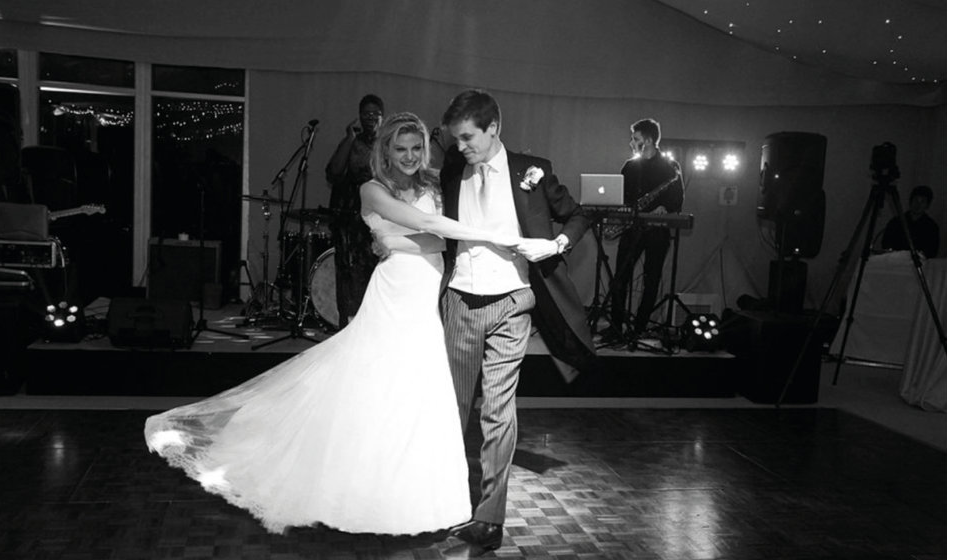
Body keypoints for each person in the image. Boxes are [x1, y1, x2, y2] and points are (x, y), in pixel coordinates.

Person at [145, 112, 525, 536]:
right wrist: (420, 239)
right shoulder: (371, 188)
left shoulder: (434, 184)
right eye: (400, 149)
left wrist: (396, 240)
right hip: (395, 292)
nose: (410, 156)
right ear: (385, 151)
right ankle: (364, 485)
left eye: (416, 148)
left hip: (429, 295)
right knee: (375, 383)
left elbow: (437, 239)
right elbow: (428, 228)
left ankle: (421, 494)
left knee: (421, 389)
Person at [436, 89, 597, 551]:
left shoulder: (533, 170)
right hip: (462, 301)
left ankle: (489, 517)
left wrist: (557, 245)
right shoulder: (452, 167)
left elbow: (578, 216)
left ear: (494, 129)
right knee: (456, 408)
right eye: (456, 139)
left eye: (469, 138)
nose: (461, 147)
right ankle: (448, 500)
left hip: (514, 301)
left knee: (498, 410)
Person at [606, 118, 684, 340]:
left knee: (652, 279)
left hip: (657, 231)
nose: (632, 142)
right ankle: (616, 325)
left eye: (636, 138)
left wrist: (664, 207)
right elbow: (619, 196)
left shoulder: (670, 168)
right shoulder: (630, 167)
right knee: (620, 277)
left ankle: (639, 328)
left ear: (648, 140)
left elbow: (677, 200)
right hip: (633, 228)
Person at [325, 94, 385, 327]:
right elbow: (333, 172)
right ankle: (348, 325)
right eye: (365, 113)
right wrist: (349, 138)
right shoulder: (352, 142)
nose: (369, 118)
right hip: (349, 220)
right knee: (349, 275)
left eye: (374, 114)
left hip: (377, 220)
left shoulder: (387, 145)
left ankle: (373, 326)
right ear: (359, 116)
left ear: (382, 117)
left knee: (375, 273)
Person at [880, 184, 940, 258]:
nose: (918, 205)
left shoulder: (931, 226)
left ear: (927, 205)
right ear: (910, 201)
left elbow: (932, 251)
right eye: (916, 200)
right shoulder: (896, 222)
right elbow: (886, 244)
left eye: (922, 202)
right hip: (896, 261)